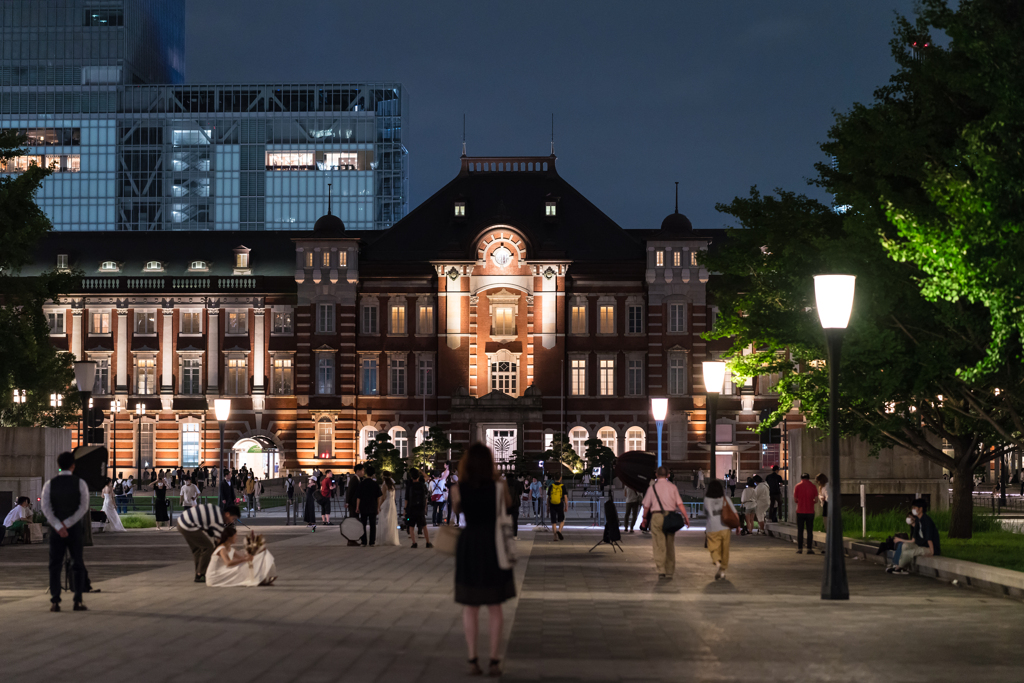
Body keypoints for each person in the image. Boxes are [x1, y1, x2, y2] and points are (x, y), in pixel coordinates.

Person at [450, 444, 516, 676]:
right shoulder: (499, 486)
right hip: (493, 544)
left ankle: (472, 658)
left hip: (469, 544)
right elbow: (508, 507)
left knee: (471, 607)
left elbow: (457, 510)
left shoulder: (459, 487)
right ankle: (494, 660)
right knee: (495, 605)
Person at [41, 452, 91, 611]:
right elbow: (83, 507)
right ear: (73, 465)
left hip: (56, 531)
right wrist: (68, 523)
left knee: (55, 564)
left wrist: (58, 525)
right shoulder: (80, 483)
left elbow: (46, 508)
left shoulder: (50, 484)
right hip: (74, 528)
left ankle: (55, 601)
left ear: (58, 465)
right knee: (77, 563)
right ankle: (77, 600)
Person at [642, 466, 691, 579]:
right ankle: (669, 570)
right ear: (668, 475)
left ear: (656, 475)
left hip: (657, 516)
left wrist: (644, 519)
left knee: (659, 544)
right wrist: (686, 517)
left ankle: (661, 570)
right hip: (670, 517)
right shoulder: (673, 487)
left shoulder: (652, 488)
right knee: (670, 544)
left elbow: (646, 506)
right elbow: (679, 504)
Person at [177, 503, 240, 583]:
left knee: (198, 549)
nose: (232, 521)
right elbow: (219, 542)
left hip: (181, 522)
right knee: (208, 547)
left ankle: (198, 573)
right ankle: (201, 574)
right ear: (227, 514)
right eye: (233, 518)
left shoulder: (217, 510)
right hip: (188, 524)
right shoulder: (218, 520)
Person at [205, 525, 277, 587]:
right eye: (235, 536)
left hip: (222, 572)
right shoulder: (222, 548)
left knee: (248, 563)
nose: (236, 538)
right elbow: (228, 563)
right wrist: (245, 559)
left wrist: (255, 552)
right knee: (243, 566)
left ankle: (261, 579)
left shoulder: (229, 548)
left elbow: (241, 557)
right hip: (216, 576)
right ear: (229, 537)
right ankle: (257, 580)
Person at [888, 498, 941, 574]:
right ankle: (902, 567)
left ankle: (898, 567)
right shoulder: (917, 521)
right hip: (920, 545)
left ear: (920, 509)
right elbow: (913, 540)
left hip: (929, 547)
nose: (913, 510)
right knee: (905, 546)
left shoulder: (926, 521)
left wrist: (932, 552)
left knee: (908, 553)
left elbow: (929, 538)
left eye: (914, 508)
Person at [704, 479, 738, 581]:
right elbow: (734, 513)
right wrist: (738, 526)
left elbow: (706, 513)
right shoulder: (726, 498)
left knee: (713, 548)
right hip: (725, 527)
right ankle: (722, 571)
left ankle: (718, 564)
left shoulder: (706, 499)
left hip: (712, 527)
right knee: (725, 550)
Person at [405, 468, 433, 548]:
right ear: (418, 477)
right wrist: (425, 507)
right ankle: (428, 542)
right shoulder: (422, 485)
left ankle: (414, 543)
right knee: (424, 526)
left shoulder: (409, 486)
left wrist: (405, 509)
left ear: (411, 477)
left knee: (411, 526)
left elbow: (406, 499)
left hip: (412, 508)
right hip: (420, 508)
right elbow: (425, 497)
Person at [356, 465, 382, 546]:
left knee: (363, 524)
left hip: (363, 506)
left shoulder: (361, 484)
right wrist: (378, 507)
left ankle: (364, 541)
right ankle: (372, 542)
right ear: (373, 474)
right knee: (373, 524)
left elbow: (358, 497)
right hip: (373, 506)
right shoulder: (375, 484)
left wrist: (357, 507)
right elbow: (378, 497)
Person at [793, 473, 818, 554]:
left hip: (800, 511)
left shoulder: (797, 486)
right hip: (810, 511)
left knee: (800, 530)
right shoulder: (813, 486)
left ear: (801, 478)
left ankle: (800, 549)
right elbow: (816, 500)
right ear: (808, 478)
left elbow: (795, 500)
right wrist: (811, 502)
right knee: (809, 531)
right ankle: (809, 549)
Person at [377, 471, 400, 546]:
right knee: (391, 520)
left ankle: (385, 538)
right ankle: (391, 538)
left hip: (386, 503)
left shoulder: (384, 485)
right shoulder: (392, 485)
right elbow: (394, 497)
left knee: (385, 520)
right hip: (392, 504)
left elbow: (383, 497)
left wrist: (379, 506)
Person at [548, 474, 567, 541]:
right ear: (560, 478)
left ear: (554, 478)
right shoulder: (562, 486)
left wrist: (548, 507)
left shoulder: (551, 486)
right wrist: (566, 506)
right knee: (562, 520)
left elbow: (548, 498)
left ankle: (555, 536)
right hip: (560, 505)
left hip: (552, 505)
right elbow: (565, 497)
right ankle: (559, 530)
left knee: (553, 521)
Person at [507, 475, 524, 539]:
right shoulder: (517, 483)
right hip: (515, 503)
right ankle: (515, 535)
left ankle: (507, 534)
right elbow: (520, 493)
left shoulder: (504, 483)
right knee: (515, 520)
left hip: (507, 504)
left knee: (506, 519)